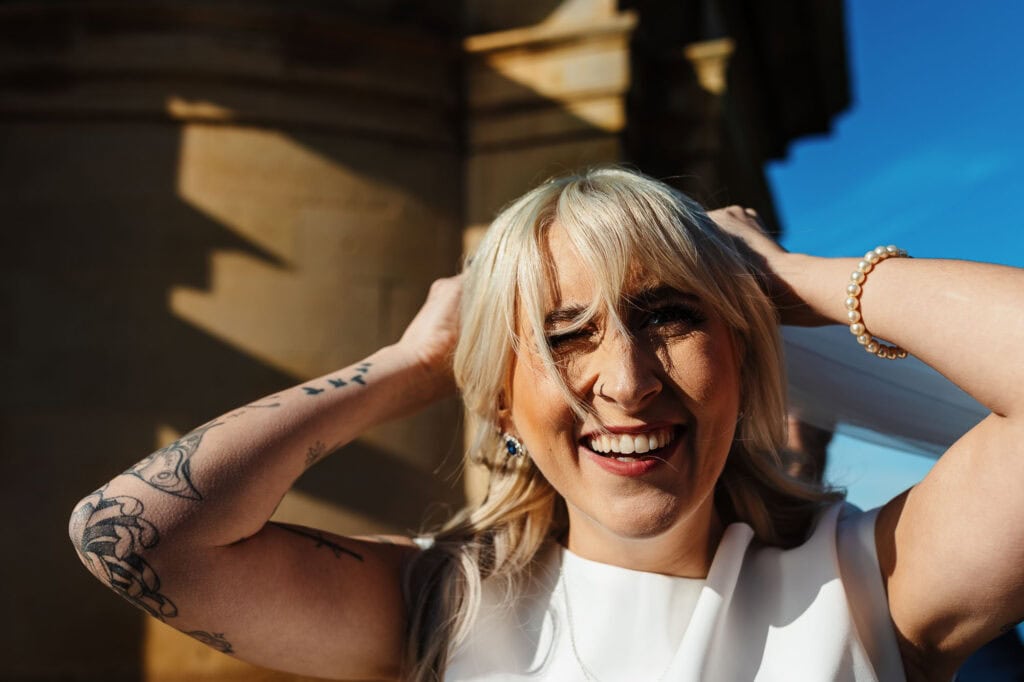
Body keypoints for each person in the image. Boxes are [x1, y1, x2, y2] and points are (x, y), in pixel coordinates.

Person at [69, 167, 1024, 681]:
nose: (627, 382)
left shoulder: (868, 582)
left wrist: (789, 276)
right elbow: (138, 534)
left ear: (740, 355)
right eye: (563, 335)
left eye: (669, 317)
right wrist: (414, 364)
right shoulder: (442, 605)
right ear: (500, 402)